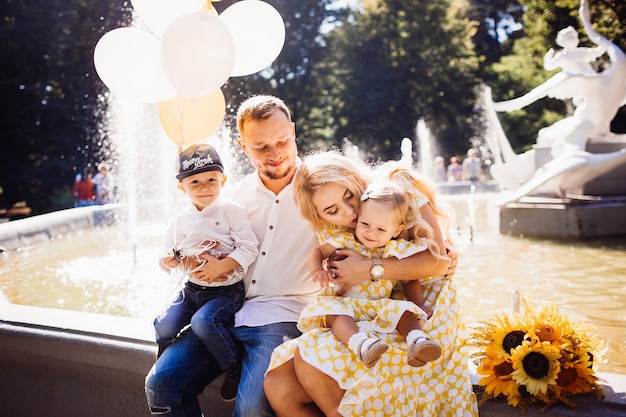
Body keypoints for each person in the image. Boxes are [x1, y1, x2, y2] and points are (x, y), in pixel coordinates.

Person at [145, 95, 459, 417]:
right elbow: (197, 236)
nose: (275, 153)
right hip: (225, 309)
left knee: (252, 409)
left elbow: (398, 225)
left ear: (293, 132)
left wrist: (434, 243)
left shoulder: (324, 193)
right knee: (161, 384)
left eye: (282, 140)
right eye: (261, 146)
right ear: (242, 146)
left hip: (283, 316)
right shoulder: (233, 199)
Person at [264, 151, 477, 417]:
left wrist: (368, 269)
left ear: (353, 178)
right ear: (320, 215)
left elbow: (438, 261)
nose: (350, 212)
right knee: (278, 386)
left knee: (309, 362)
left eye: (349, 195)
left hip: (417, 310)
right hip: (364, 312)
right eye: (333, 211)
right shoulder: (332, 230)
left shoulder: (396, 187)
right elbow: (329, 273)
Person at [153, 144, 259, 403]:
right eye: (195, 182)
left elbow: (249, 246)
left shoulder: (230, 211)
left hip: (225, 291)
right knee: (163, 324)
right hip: (192, 289)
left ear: (223, 179)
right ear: (182, 187)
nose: (204, 187)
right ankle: (166, 358)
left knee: (204, 322)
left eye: (212, 180)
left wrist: (223, 265)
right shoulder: (180, 218)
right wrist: (169, 259)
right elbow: (169, 252)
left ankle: (234, 366)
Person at [302, 177, 444, 369]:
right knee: (336, 315)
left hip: (380, 305)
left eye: (381, 229)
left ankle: (417, 340)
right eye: (365, 224)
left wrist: (417, 303)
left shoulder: (396, 250)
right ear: (358, 218)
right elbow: (317, 252)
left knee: (403, 311)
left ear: (397, 230)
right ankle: (362, 344)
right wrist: (318, 270)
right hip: (347, 303)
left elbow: (410, 279)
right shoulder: (347, 240)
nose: (371, 233)